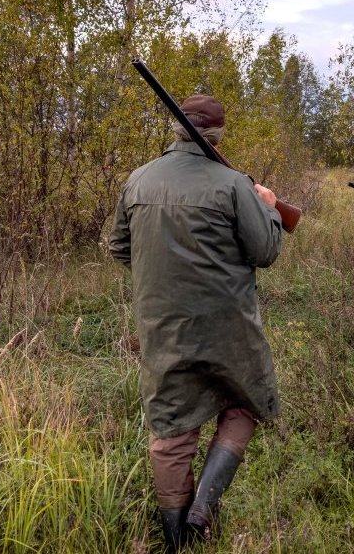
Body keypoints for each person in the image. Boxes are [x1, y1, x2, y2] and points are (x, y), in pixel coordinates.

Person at [108, 95, 283, 552]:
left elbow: (119, 248)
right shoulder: (232, 184)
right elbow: (265, 252)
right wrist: (266, 205)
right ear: (219, 135)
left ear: (177, 129)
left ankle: (177, 541)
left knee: (171, 431)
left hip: (163, 330)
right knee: (246, 403)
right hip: (231, 328)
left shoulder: (137, 181)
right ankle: (204, 504)